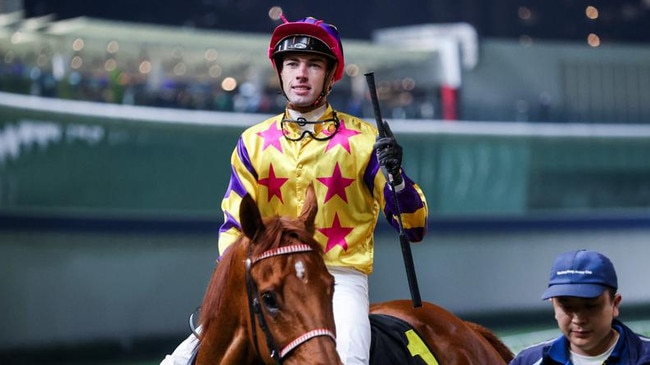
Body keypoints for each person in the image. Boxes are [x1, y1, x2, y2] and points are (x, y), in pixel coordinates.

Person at [160, 15, 428, 365]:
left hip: (338, 277)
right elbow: (232, 229)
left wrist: (396, 179)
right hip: (267, 277)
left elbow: (414, 226)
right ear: (281, 73)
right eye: (292, 64)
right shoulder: (252, 142)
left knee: (348, 359)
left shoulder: (365, 140)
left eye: (313, 65)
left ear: (330, 76)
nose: (301, 74)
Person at [509, 249, 650, 365]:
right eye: (567, 307)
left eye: (590, 306)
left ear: (615, 304)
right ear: (553, 306)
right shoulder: (528, 361)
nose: (578, 319)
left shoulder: (644, 357)